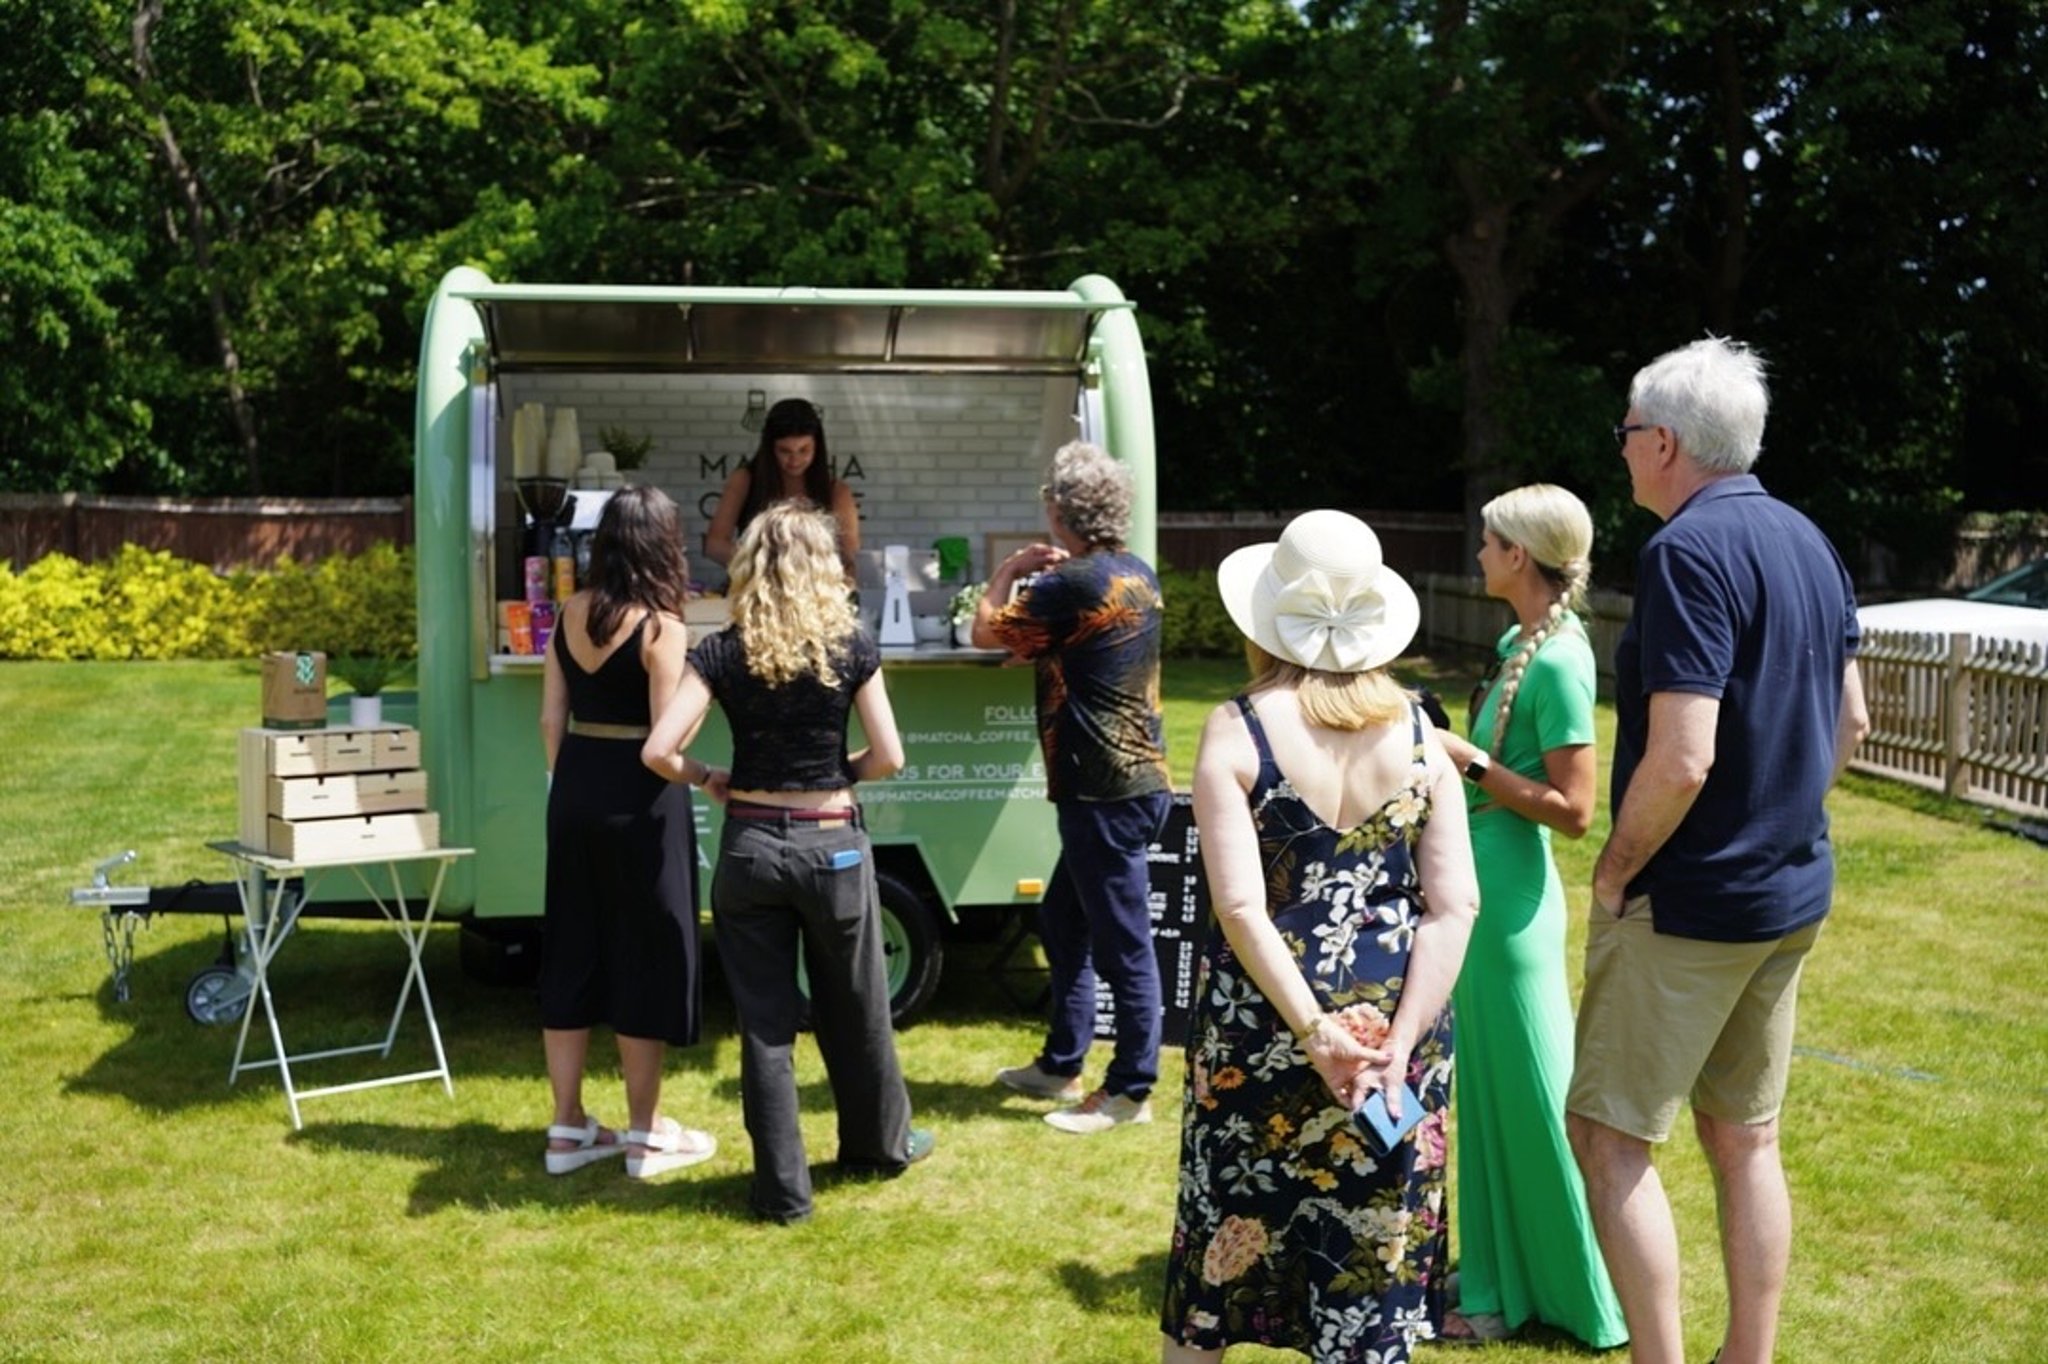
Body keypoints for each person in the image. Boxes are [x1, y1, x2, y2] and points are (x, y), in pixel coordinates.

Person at [1568, 338, 1870, 1364]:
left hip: (1691, 901)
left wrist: (1615, 870)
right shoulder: (1808, 538)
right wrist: (1779, 818)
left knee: (1610, 1137)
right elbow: (1851, 723)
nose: (1620, 450)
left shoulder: (1685, 551)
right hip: (1787, 892)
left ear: (1661, 441)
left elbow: (1683, 755)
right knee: (1746, 1138)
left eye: (1624, 433)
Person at [1159, 509, 1480, 1364]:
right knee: (1367, 1283)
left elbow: (1241, 909)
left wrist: (1313, 1032)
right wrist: (1397, 1044)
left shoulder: (1238, 726)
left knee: (1217, 1265)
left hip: (1262, 1031)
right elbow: (1455, 907)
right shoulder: (1422, 733)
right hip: (1391, 1041)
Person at [644, 501, 932, 1223]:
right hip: (833, 843)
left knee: (765, 1028)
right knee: (858, 1007)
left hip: (749, 848)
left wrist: (708, 776)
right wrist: (839, 774)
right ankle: (877, 1148)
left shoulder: (721, 651)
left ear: (749, 568)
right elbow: (890, 756)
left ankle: (782, 1195)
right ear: (823, 568)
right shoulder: (851, 644)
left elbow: (658, 750)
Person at [1432, 484, 1628, 1350]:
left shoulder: (1558, 661)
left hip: (1510, 905)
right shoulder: (1522, 641)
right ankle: (1496, 1276)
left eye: (1489, 541)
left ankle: (1576, 1294)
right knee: (1491, 1095)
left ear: (1519, 555)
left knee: (1534, 1099)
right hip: (1487, 889)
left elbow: (1576, 811)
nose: (1478, 553)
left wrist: (1468, 761)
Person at [973, 440, 1173, 1134]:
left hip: (1102, 790)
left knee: (1124, 945)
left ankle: (1130, 1090)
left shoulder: (1071, 584)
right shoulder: (1134, 573)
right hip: (1135, 781)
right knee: (1063, 920)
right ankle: (1062, 1064)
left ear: (1061, 509)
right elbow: (1087, 649)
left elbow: (984, 632)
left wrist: (1008, 572)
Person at [538, 485, 717, 1180]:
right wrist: (704, 763)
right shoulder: (662, 627)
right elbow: (665, 744)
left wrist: (573, 785)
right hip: (643, 801)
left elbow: (550, 721)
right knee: (645, 954)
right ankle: (645, 1135)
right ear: (664, 545)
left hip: (575, 789)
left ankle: (566, 1128)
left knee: (572, 949)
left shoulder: (569, 612)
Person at [704, 397, 859, 576]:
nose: (795, 460)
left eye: (804, 450)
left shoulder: (837, 491)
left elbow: (849, 556)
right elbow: (714, 545)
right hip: (758, 586)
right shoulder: (744, 479)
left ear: (818, 447)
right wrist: (767, 571)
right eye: (785, 451)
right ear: (770, 449)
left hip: (818, 587)